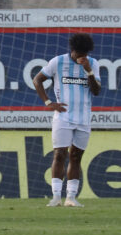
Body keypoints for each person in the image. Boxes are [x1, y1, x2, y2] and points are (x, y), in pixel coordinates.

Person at [33, 33, 101, 207]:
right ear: (73, 50)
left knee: (76, 157)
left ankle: (71, 197)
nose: (82, 57)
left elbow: (96, 91)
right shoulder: (58, 61)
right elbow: (37, 80)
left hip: (84, 118)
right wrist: (49, 102)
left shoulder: (92, 64)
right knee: (59, 154)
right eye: (79, 54)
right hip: (63, 117)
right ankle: (56, 197)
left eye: (85, 54)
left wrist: (89, 72)